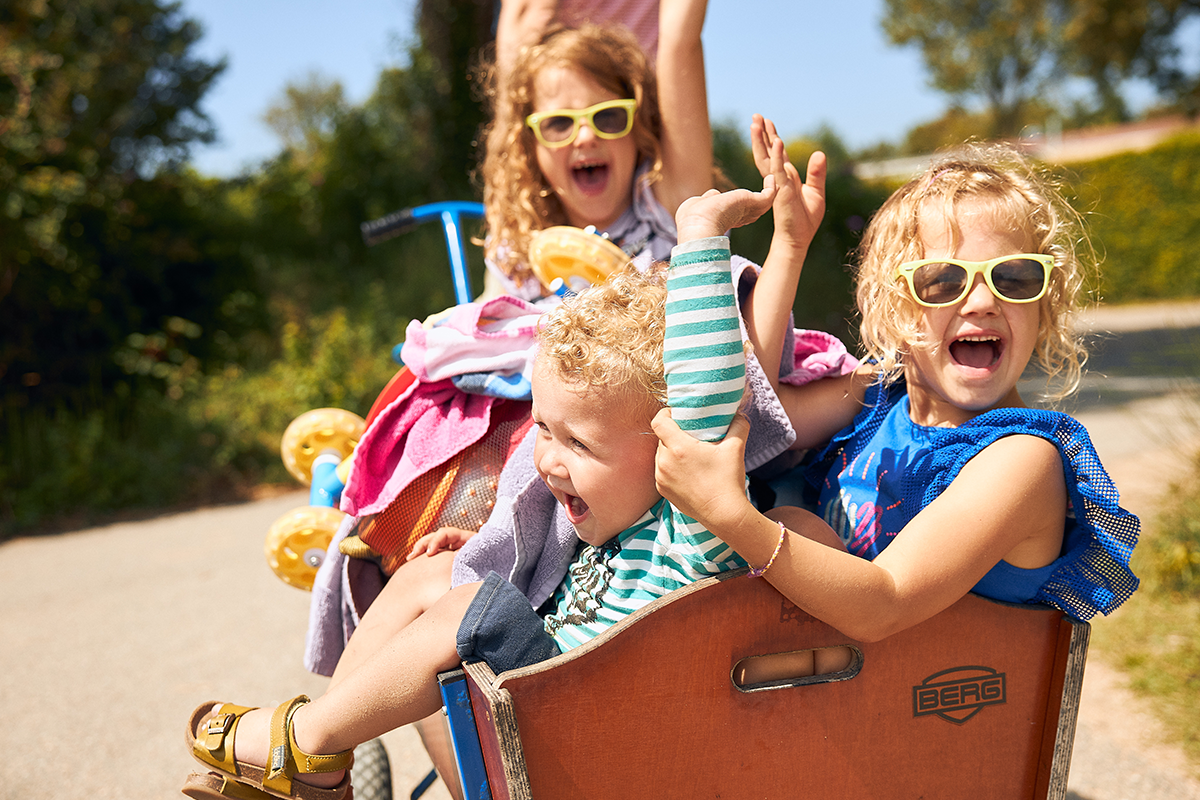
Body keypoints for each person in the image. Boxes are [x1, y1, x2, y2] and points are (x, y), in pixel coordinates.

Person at [183, 179, 793, 800]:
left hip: (600, 742)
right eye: (545, 432)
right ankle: (323, 760)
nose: (550, 461)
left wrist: (697, 234)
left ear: (669, 447)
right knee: (434, 576)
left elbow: (706, 396)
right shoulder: (600, 530)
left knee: (479, 612)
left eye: (579, 445)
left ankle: (307, 737)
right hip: (550, 718)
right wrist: (483, 545)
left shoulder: (692, 528)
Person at [653, 142, 1141, 653]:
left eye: (1014, 277)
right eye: (943, 281)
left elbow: (884, 603)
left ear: (1044, 302)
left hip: (931, 714)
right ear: (894, 312)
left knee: (785, 525)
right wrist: (790, 248)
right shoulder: (876, 397)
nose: (982, 301)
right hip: (841, 695)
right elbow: (758, 412)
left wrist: (732, 517)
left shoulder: (1022, 461)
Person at [479, 0, 713, 301]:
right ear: (529, 146)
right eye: (558, 124)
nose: (586, 136)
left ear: (638, 128)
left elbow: (680, 41)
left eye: (609, 116)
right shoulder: (523, 250)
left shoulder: (669, 212)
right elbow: (520, 28)